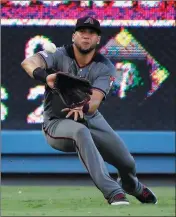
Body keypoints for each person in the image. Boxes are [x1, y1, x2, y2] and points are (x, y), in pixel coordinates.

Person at [21, 16, 157, 205]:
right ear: (74, 36)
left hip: (90, 117)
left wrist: (83, 107)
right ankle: (113, 192)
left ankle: (132, 186)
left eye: (91, 33)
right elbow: (28, 63)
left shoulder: (105, 66)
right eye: (82, 32)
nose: (86, 36)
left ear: (98, 39)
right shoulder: (58, 55)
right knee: (80, 131)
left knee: (127, 163)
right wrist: (45, 76)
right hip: (58, 121)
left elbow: (94, 101)